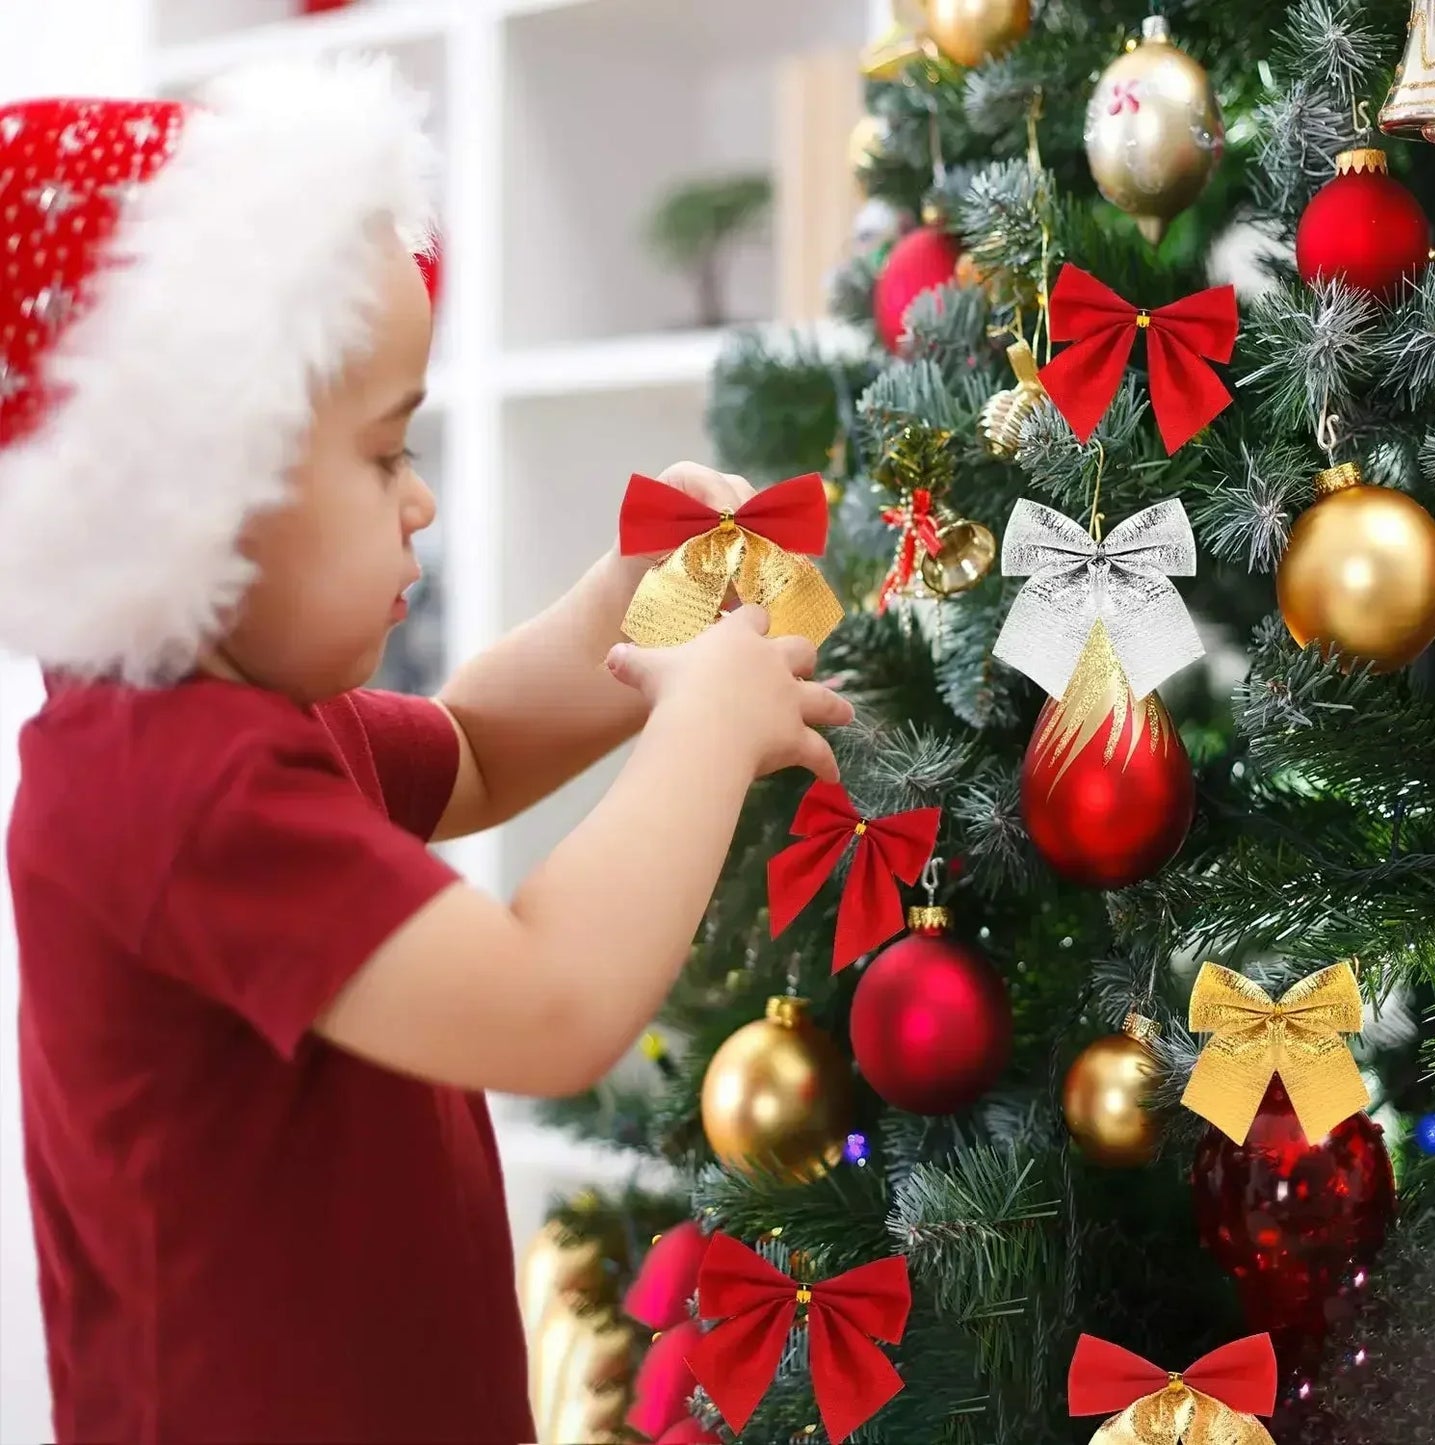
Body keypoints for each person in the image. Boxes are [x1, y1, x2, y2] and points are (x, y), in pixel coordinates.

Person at [0, 57, 851, 1445]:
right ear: (200, 495)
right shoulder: (170, 788)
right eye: (383, 452)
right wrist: (701, 725)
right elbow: (547, 1004)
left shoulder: (253, 718)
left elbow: (465, 747)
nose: (422, 501)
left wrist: (637, 606)